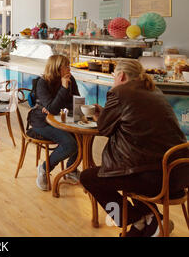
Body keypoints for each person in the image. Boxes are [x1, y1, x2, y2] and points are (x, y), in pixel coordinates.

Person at [80, 60, 189, 237]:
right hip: (179, 174)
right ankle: (148, 222)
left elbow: (104, 129)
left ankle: (134, 219)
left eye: (115, 75)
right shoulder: (155, 91)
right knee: (128, 171)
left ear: (121, 76)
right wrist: (105, 115)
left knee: (89, 178)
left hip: (154, 178)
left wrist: (100, 116)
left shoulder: (119, 92)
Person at [28, 55, 80, 191]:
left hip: (62, 119)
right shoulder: (42, 82)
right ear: (57, 68)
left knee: (82, 137)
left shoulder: (70, 79)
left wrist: (56, 107)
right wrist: (63, 89)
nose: (70, 69)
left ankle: (71, 169)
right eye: (66, 66)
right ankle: (44, 169)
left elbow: (77, 102)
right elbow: (52, 109)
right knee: (70, 144)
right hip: (41, 121)